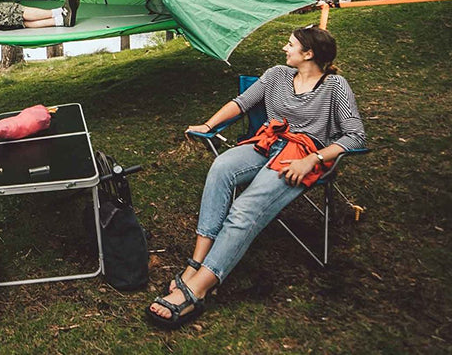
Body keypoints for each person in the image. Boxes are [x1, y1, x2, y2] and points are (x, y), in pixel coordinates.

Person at [147, 25, 365, 329]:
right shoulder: (277, 74)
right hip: (267, 142)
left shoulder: (335, 86)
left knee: (244, 208)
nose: (284, 49)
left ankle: (199, 288)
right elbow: (241, 103)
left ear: (309, 54)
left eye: (290, 45)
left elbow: (355, 136)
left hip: (303, 155)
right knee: (221, 168)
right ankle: (195, 263)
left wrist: (312, 159)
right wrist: (208, 126)